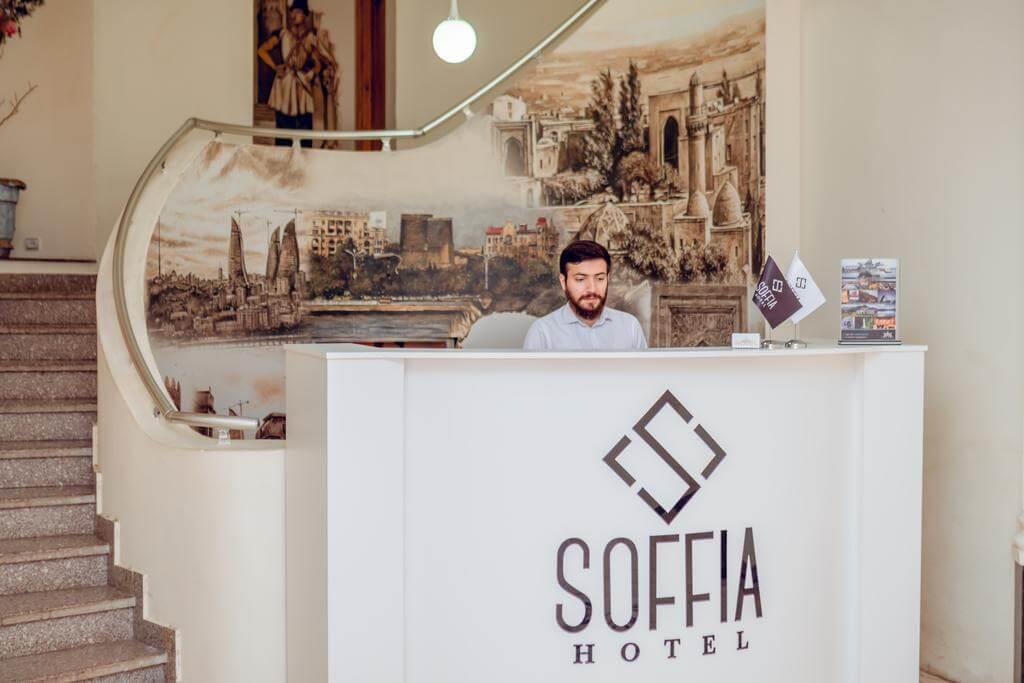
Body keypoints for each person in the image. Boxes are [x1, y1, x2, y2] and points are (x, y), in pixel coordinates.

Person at [523, 240, 648, 351]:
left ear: (607, 279)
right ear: (563, 282)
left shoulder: (630, 326)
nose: (592, 289)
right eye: (580, 279)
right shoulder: (542, 332)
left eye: (600, 278)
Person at [256, 0, 321, 147]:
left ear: (305, 15)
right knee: (283, 131)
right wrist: (275, 67)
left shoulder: (311, 38)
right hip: (285, 85)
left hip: (302, 86)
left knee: (304, 133)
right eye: (293, 11)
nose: (294, 15)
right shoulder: (282, 33)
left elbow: (318, 64)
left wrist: (311, 74)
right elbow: (261, 51)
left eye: (298, 12)